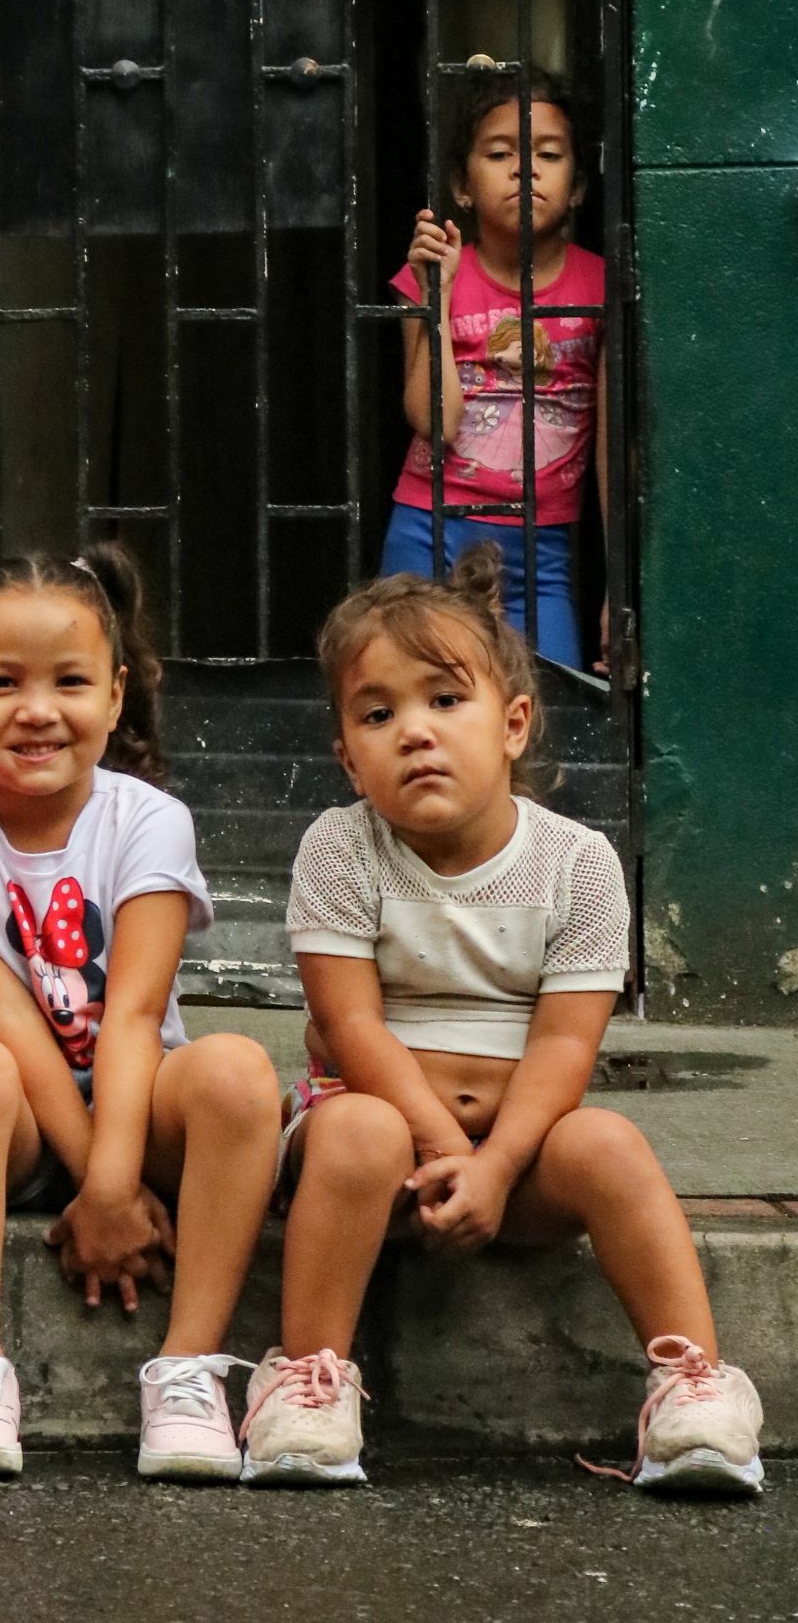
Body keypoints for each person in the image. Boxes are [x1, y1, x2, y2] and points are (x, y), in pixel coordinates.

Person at [245, 550, 762, 1493]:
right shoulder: (338, 848)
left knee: (606, 1142)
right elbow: (351, 1028)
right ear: (346, 758)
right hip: (367, 1162)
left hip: (516, 1161)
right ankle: (310, 1382)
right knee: (359, 1126)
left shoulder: (578, 863)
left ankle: (695, 1386)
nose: (414, 733)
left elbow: (566, 1041)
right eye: (377, 714)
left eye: (445, 701)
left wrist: (494, 1166)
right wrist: (444, 1141)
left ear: (514, 722)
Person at [0, 545, 281, 1482]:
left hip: (136, 1095)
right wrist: (96, 1186)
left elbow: (137, 1012)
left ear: (114, 696)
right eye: (0, 683)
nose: (36, 709)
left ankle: (187, 1372)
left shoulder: (148, 818)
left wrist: (114, 1178)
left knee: (234, 1069)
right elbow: (6, 1018)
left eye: (69, 681)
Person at [385, 67, 605, 668]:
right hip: (429, 530)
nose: (525, 169)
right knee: (419, 688)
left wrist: (619, 586)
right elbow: (437, 422)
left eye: (549, 154)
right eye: (501, 152)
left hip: (543, 549)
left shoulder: (600, 288)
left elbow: (613, 447)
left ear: (578, 185)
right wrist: (440, 296)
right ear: (462, 183)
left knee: (549, 706)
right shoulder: (429, 276)